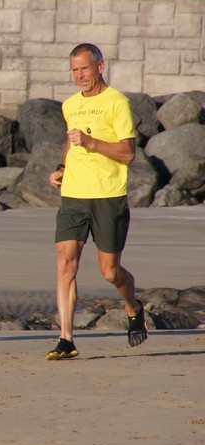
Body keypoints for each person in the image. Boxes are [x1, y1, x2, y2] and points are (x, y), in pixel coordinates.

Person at [46, 43, 148, 360]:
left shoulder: (117, 103)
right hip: (74, 195)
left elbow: (128, 153)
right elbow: (71, 142)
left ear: (100, 67)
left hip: (108, 196)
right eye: (75, 70)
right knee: (66, 262)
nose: (80, 75)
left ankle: (133, 307)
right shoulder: (70, 105)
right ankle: (66, 339)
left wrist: (90, 141)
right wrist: (63, 168)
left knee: (111, 272)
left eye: (85, 68)